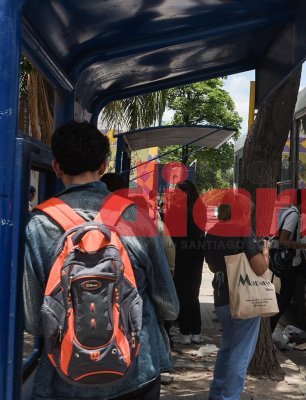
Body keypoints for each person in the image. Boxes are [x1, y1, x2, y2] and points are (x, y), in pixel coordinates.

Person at [23, 120, 179, 400]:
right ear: (104, 167)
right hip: (138, 372)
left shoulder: (38, 225)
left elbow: (34, 321)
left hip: (65, 378)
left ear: (57, 167)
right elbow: (170, 307)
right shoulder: (137, 218)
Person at [204, 191, 270, 400]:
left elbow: (213, 266)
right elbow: (259, 268)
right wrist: (265, 251)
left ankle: (217, 393)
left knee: (227, 348)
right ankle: (229, 397)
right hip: (245, 298)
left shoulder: (212, 232)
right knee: (240, 354)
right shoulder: (243, 231)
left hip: (222, 297)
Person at [269, 189, 306, 332]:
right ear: (304, 202)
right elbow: (284, 241)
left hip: (295, 262)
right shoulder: (294, 215)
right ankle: (269, 329)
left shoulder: (290, 211)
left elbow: (295, 235)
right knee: (285, 299)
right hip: (290, 264)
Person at [172, 180, 205, 345]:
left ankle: (185, 332)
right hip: (197, 255)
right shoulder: (201, 209)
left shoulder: (177, 210)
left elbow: (172, 237)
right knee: (193, 294)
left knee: (182, 294)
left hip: (181, 255)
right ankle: (196, 332)